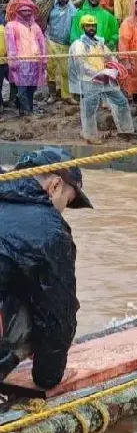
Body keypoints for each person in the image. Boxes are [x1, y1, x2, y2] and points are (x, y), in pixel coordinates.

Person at [0, 147, 93, 389]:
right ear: (55, 186)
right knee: (54, 305)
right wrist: (47, 378)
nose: (62, 211)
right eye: (67, 201)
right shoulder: (50, 230)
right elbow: (57, 319)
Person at [68, 15, 134, 144]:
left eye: (93, 25)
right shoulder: (79, 45)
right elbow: (81, 65)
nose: (91, 28)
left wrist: (115, 68)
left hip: (105, 78)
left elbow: (110, 57)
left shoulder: (100, 43)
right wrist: (98, 73)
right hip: (90, 81)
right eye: (88, 25)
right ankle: (90, 136)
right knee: (89, 109)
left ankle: (126, 130)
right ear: (83, 27)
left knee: (121, 101)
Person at [4, 0, 46, 116]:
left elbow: (42, 43)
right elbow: (10, 45)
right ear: (17, 11)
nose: (27, 13)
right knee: (22, 89)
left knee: (32, 89)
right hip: (20, 62)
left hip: (35, 62)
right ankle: (26, 111)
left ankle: (28, 110)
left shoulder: (35, 26)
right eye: (23, 10)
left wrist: (43, 60)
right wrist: (12, 62)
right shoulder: (11, 26)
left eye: (29, 11)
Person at [45, 0, 77, 105]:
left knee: (66, 71)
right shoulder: (50, 8)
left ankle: (67, 95)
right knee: (50, 69)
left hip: (66, 43)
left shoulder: (73, 10)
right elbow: (43, 20)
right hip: (51, 41)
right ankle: (52, 94)